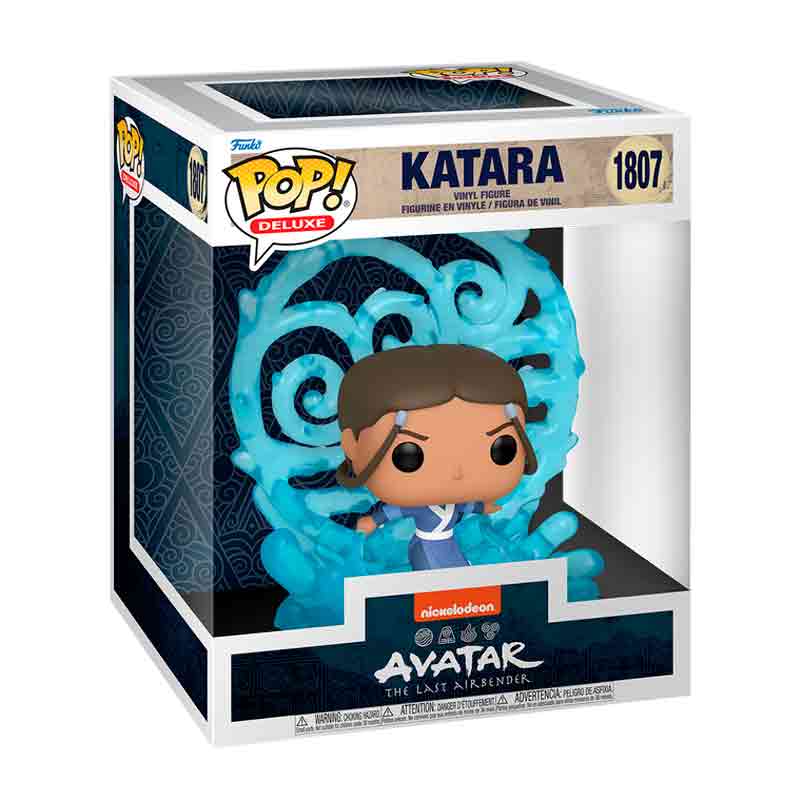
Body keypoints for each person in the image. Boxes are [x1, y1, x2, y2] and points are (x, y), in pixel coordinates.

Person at [336, 344, 537, 570]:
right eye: (409, 456)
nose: (457, 472)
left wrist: (484, 508)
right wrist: (373, 521)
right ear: (352, 446)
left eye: (501, 450)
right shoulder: (418, 507)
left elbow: (467, 507)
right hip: (425, 546)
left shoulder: (454, 504)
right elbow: (393, 511)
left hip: (448, 544)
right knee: (432, 577)